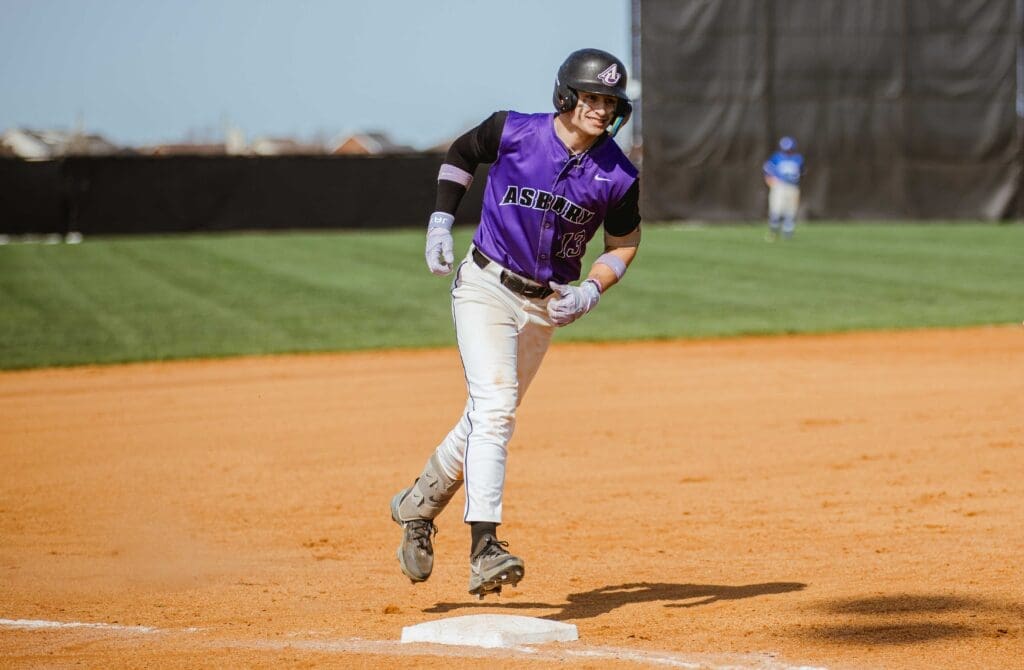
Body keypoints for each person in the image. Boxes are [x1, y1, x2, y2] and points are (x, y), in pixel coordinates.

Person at [389, 48, 641, 599]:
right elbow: (461, 153)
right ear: (566, 95)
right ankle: (484, 546)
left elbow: (623, 244)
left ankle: (418, 505)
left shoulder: (618, 174)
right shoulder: (514, 130)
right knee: (497, 409)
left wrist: (592, 289)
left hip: (543, 306)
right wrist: (440, 220)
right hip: (485, 286)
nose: (601, 109)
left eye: (610, 102)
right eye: (592, 97)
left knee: (486, 416)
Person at [762, 136, 805, 240]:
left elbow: (802, 172)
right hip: (780, 186)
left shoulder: (798, 158)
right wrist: (770, 180)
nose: (788, 151)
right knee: (776, 208)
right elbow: (767, 169)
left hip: (793, 186)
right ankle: (774, 230)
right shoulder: (776, 157)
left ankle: (788, 232)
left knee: (791, 210)